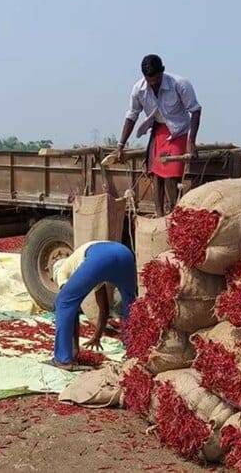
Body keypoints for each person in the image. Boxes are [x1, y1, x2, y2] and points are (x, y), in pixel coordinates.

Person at [117, 54, 202, 217]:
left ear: (162, 72)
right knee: (156, 174)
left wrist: (192, 141)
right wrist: (121, 145)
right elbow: (132, 116)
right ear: (144, 77)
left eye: (156, 79)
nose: (154, 84)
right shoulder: (138, 89)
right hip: (158, 131)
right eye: (150, 81)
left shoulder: (180, 84)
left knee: (171, 173)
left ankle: (174, 211)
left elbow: (195, 110)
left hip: (179, 131)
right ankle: (159, 213)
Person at [49, 240, 137, 371]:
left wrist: (75, 348)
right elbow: (104, 308)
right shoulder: (79, 262)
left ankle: (63, 359)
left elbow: (70, 306)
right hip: (125, 254)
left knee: (63, 302)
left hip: (100, 258)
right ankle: (134, 352)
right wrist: (97, 336)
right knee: (131, 305)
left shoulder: (62, 271)